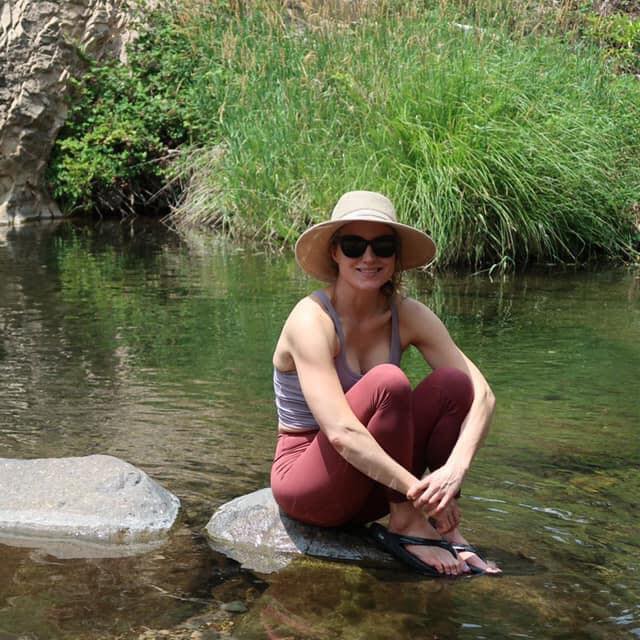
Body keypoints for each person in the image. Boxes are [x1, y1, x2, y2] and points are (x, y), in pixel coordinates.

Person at [270, 191, 500, 576]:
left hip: (374, 484)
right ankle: (408, 523)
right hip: (310, 484)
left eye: (383, 246)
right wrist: (418, 494)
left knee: (453, 384)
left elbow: (484, 396)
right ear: (335, 253)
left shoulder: (407, 315)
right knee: (388, 382)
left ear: (396, 258)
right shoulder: (310, 320)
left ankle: (447, 529)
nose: (368, 257)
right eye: (354, 245)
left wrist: (454, 473)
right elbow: (342, 432)